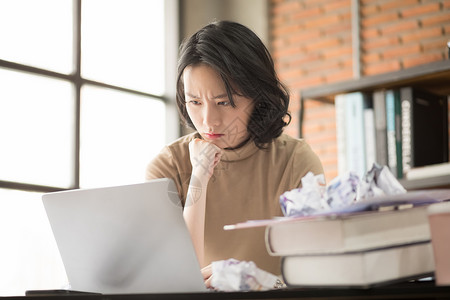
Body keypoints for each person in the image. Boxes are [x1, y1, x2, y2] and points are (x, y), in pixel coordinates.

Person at [146, 20, 323, 282]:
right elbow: (174, 275)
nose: (208, 120)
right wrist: (199, 177)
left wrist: (260, 284)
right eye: (194, 102)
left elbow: (319, 269)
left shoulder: (295, 162)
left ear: (257, 97)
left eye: (224, 102)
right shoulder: (168, 166)